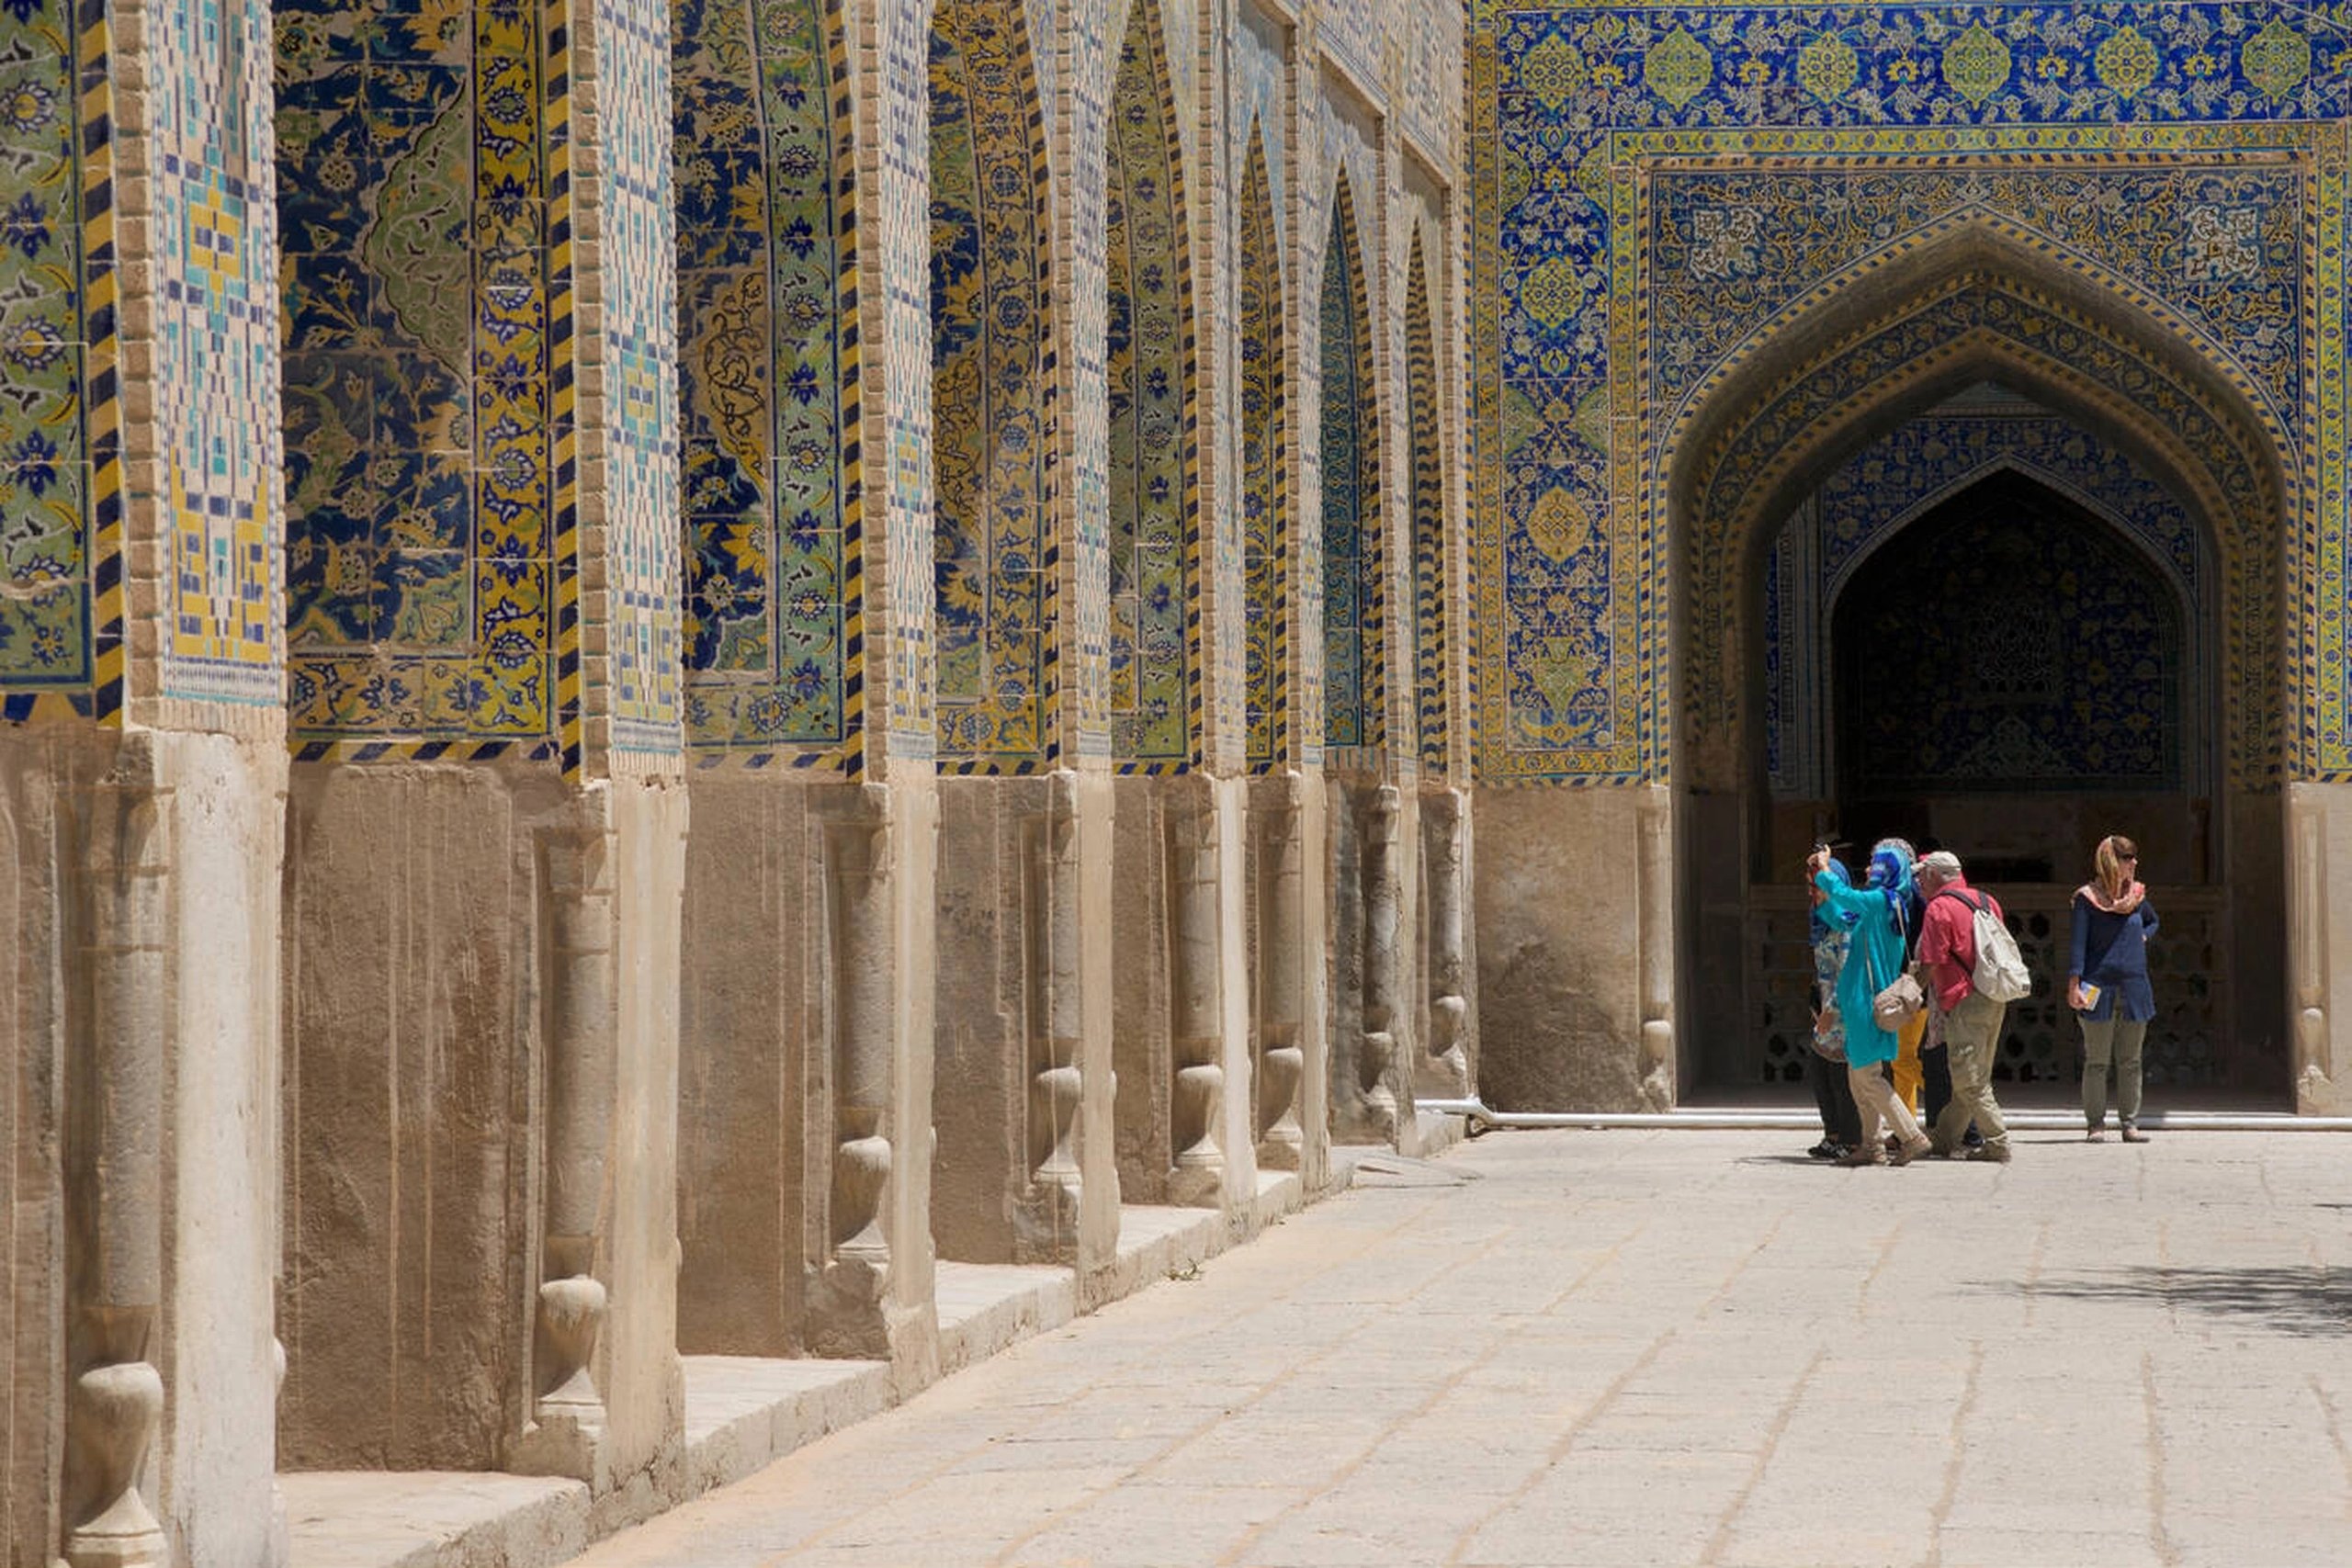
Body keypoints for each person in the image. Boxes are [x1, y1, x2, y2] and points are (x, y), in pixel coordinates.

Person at [1808, 843, 1932, 1167]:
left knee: (1869, 1078)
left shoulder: (1882, 901)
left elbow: (1848, 897)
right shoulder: (1885, 906)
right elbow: (1846, 918)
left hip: (1866, 1002)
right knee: (1859, 1077)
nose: (1868, 870)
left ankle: (1912, 1137)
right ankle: (1871, 1144)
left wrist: (1824, 870)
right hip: (1861, 1002)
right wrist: (1822, 901)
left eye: (1874, 865)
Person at [1916, 850, 2012, 1162]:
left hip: (1963, 999)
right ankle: (1944, 1140)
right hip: (1994, 995)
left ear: (1934, 876)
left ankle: (1997, 1141)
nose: (1918, 882)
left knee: (1969, 1078)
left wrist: (1907, 993)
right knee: (1970, 1076)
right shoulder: (1987, 901)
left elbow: (1931, 962)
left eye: (1921, 875)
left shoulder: (1938, 908)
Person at [2069, 835, 2157, 1144]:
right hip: (2098, 987)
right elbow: (2078, 944)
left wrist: (2143, 936)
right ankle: (2096, 1124)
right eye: (2126, 857)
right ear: (2110, 860)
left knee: (2131, 1060)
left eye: (2133, 857)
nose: (2133, 863)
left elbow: (2152, 922)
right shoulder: (2087, 899)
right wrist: (2074, 984)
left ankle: (2129, 1123)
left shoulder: (2137, 896)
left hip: (2133, 987)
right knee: (2097, 1061)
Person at [1805, 858, 1864, 1160]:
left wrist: (1832, 1009)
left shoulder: (1847, 923)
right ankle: (1833, 1134)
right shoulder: (1822, 920)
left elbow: (1847, 971)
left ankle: (1853, 1140)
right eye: (1811, 886)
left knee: (1842, 1079)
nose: (1813, 892)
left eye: (1819, 886)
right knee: (1821, 1072)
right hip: (1825, 1012)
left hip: (1843, 1013)